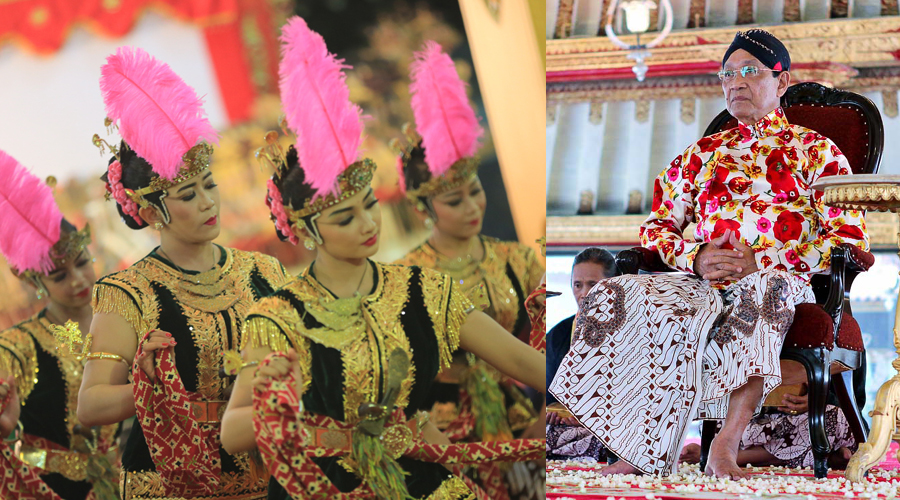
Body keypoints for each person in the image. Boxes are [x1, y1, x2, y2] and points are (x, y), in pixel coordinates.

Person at [218, 18, 545, 500]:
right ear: (307, 231)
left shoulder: (424, 290)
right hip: (331, 487)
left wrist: (597, 394)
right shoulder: (277, 316)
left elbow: (522, 359)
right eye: (346, 218)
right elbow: (232, 432)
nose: (368, 224)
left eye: (369, 206)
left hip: (423, 469)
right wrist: (280, 407)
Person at [549, 29, 868, 479]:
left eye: (750, 72)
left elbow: (848, 237)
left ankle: (725, 444)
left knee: (763, 289)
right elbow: (656, 227)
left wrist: (765, 261)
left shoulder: (817, 153)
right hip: (699, 281)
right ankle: (637, 444)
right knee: (619, 293)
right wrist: (695, 257)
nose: (736, 82)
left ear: (781, 81)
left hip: (777, 277)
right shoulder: (700, 155)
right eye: (728, 74)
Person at [75, 47, 289, 500]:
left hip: (260, 473)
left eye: (209, 185)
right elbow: (91, 405)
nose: (208, 202)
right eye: (189, 194)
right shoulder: (127, 292)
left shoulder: (264, 271)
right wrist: (154, 387)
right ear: (153, 209)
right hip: (169, 484)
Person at [393, 41, 545, 500]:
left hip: (523, 413)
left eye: (475, 192)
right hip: (446, 429)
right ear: (423, 207)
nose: (472, 206)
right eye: (454, 200)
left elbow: (541, 341)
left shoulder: (516, 259)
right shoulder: (408, 275)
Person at [0, 150, 119, 499]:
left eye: (82, 263)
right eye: (60, 275)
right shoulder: (19, 346)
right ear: (37, 282)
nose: (79, 280)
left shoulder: (125, 318)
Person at [545, 248, 617, 462]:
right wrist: (553, 413)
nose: (584, 293)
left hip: (612, 432)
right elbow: (548, 395)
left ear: (614, 287)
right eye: (578, 285)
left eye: (593, 285)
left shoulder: (633, 332)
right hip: (566, 429)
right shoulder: (558, 334)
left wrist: (592, 418)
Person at [680, 385, 856, 470]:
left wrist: (817, 399)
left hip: (804, 422)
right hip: (748, 422)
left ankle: (725, 453)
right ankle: (824, 456)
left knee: (834, 419)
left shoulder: (832, 325)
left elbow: (854, 404)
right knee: (715, 417)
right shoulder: (754, 325)